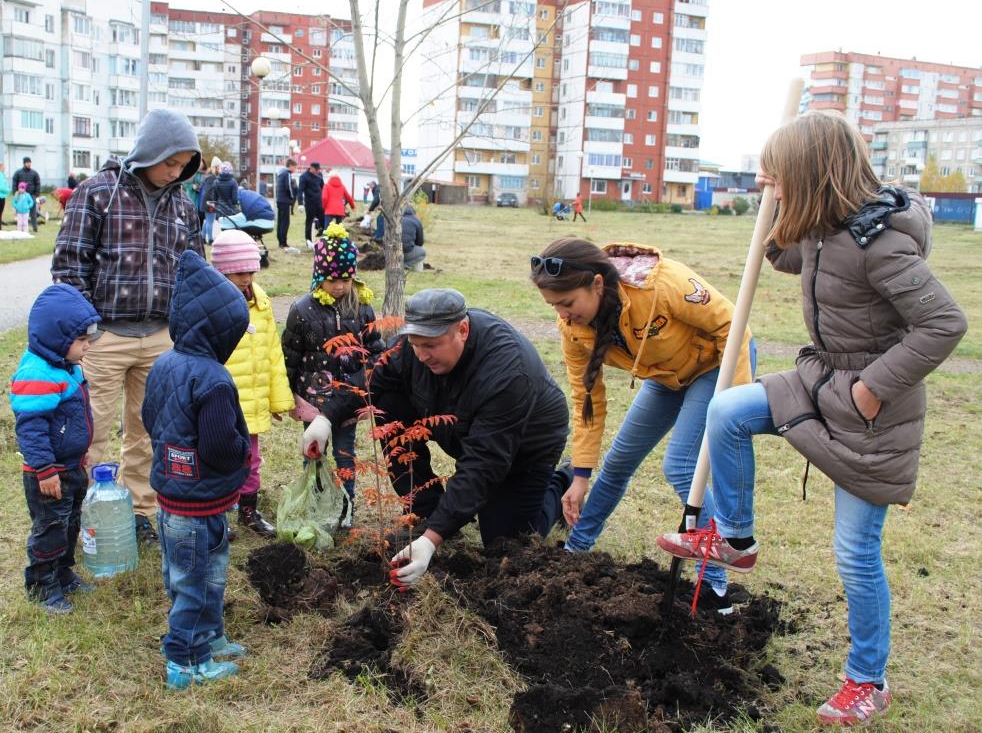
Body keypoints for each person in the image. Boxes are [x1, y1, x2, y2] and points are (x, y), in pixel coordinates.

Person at [656, 111, 968, 726]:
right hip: (818, 377)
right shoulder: (826, 229)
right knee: (729, 410)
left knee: (854, 552)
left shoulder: (880, 243)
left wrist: (874, 389)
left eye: (780, 171)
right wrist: (771, 220)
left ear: (813, 172)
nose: (769, 178)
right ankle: (736, 538)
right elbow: (791, 260)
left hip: (871, 411)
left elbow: (944, 323)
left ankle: (866, 680)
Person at [531, 237, 754, 614]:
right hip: (666, 377)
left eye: (567, 303)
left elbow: (734, 327)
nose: (563, 315)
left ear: (597, 285)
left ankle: (715, 585)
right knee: (617, 465)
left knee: (682, 466)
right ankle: (575, 551)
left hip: (717, 364)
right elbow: (587, 399)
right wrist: (581, 474)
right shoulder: (573, 329)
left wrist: (736, 407)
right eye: (554, 306)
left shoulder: (661, 285)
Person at [301, 288, 573, 589]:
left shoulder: (507, 372)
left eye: (431, 345)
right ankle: (425, 509)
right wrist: (326, 418)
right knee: (388, 396)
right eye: (415, 344)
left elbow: (483, 465)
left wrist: (431, 541)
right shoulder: (415, 347)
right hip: (460, 424)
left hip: (526, 445)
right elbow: (372, 376)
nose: (421, 354)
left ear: (463, 330)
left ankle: (562, 484)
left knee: (504, 544)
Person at [51, 107, 204, 545]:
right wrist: (87, 328)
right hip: (105, 336)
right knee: (90, 429)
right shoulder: (97, 193)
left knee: (148, 430)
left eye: (183, 165)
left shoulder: (182, 204)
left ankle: (140, 508)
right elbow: (68, 265)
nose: (175, 172)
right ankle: (79, 514)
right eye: (170, 162)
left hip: (159, 337)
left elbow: (196, 270)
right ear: (148, 151)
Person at [142, 250, 250, 689]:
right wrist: (243, 451)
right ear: (220, 331)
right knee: (196, 582)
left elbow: (150, 418)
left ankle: (210, 636)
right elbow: (222, 448)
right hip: (200, 504)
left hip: (171, 499)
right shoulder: (214, 379)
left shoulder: (164, 364)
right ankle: (185, 661)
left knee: (197, 575)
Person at [12, 284, 101, 615]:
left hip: (72, 466)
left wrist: (81, 452)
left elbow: (73, 420)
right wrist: (45, 470)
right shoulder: (37, 373)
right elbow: (32, 430)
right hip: (49, 474)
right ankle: (41, 585)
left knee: (70, 524)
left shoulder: (68, 366)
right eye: (81, 341)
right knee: (50, 529)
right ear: (56, 338)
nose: (87, 346)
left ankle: (62, 573)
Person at [281, 222, 384, 504]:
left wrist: (369, 394)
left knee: (345, 452)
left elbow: (375, 351)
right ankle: (314, 503)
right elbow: (290, 357)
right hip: (313, 399)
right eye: (331, 279)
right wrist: (287, 394)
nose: (338, 286)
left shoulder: (362, 308)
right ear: (318, 276)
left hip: (348, 397)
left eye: (345, 279)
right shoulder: (301, 311)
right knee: (313, 451)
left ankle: (346, 506)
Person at [210, 230, 293, 536]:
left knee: (251, 459)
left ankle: (248, 509)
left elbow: (272, 350)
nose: (247, 278)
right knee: (218, 459)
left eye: (251, 271)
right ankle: (217, 514)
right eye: (239, 273)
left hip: (253, 399)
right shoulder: (210, 307)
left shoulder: (261, 302)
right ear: (221, 272)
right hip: (220, 402)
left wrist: (277, 399)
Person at [297, 161, 325, 244]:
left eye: (318, 170)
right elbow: (300, 191)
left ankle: (324, 239)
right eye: (316, 170)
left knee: (323, 220)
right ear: (311, 168)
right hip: (310, 203)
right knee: (309, 222)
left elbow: (323, 187)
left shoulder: (319, 175)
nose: (317, 172)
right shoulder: (304, 177)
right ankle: (308, 240)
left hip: (319, 202)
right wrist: (300, 203)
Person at [12, 157, 41, 232]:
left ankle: (35, 228)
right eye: (27, 162)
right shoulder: (18, 173)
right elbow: (14, 182)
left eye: (30, 162)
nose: (29, 164)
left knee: (33, 213)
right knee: (20, 212)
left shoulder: (34, 173)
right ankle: (20, 228)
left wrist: (36, 194)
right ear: (24, 163)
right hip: (21, 195)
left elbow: (38, 183)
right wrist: (15, 192)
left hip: (31, 195)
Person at [198, 158, 222, 245]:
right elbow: (210, 191)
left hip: (207, 202)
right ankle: (210, 239)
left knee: (207, 221)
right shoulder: (212, 177)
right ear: (215, 167)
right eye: (219, 167)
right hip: (209, 202)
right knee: (210, 221)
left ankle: (203, 237)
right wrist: (213, 202)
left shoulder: (209, 176)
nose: (221, 169)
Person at [275, 158, 297, 249]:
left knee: (280, 221)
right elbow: (288, 187)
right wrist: (292, 197)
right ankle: (283, 242)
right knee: (285, 222)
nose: (295, 169)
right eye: (295, 167)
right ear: (290, 166)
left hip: (280, 200)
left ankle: (280, 240)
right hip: (285, 201)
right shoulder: (287, 173)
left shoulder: (280, 174)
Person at [400, 204, 426, 271]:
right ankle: (406, 265)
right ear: (414, 211)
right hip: (406, 252)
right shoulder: (417, 221)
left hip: (390, 253)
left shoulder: (395, 219)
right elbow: (420, 242)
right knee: (422, 252)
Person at [0, 161, 9, 225]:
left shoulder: (2, 175)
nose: (4, 168)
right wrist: (8, 190)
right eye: (3, 166)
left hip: (2, 196)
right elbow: (1, 187)